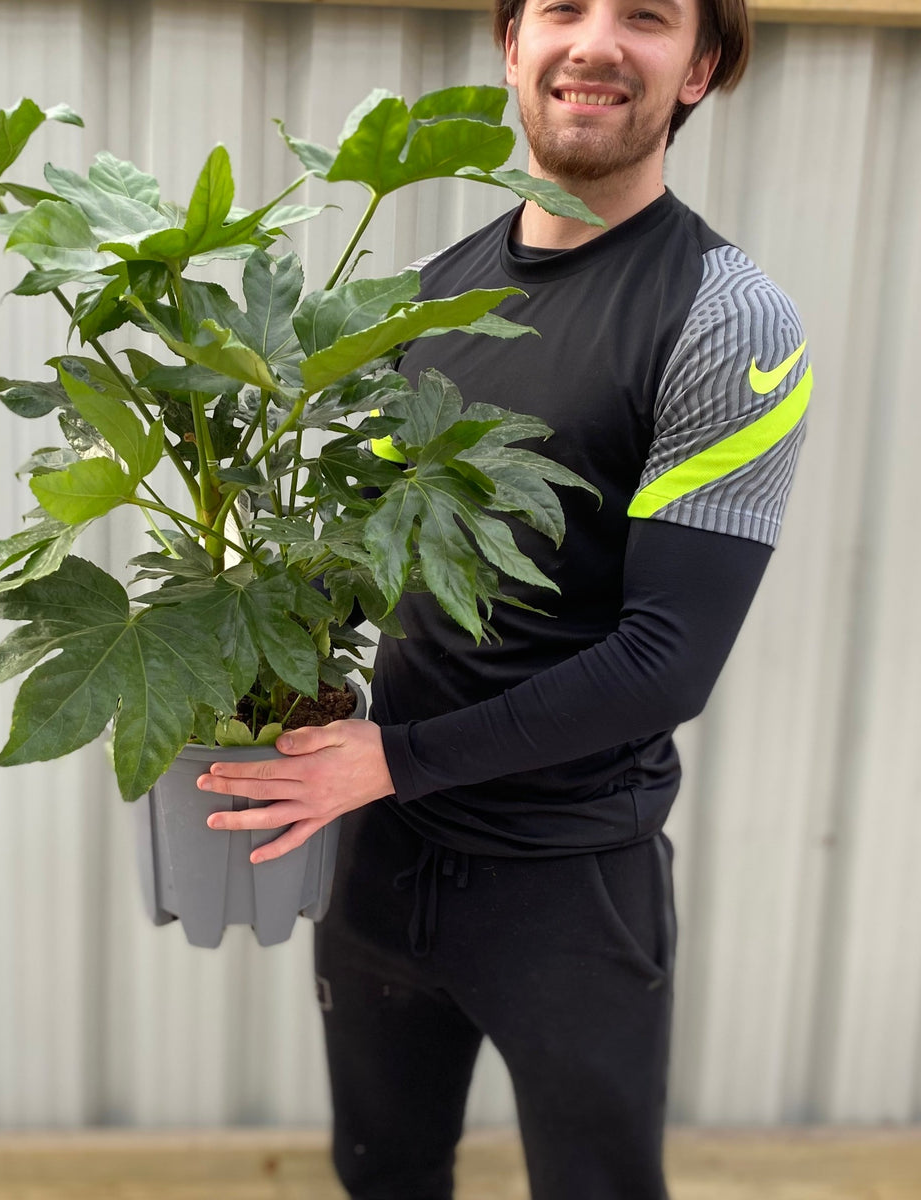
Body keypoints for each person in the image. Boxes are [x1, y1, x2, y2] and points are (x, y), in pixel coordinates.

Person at [197, 0, 811, 1194]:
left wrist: (386, 760)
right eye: (561, 8)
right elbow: (372, 559)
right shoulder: (434, 294)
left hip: (568, 885)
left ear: (704, 66)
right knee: (382, 1173)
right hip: (381, 862)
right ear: (512, 45)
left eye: (645, 15)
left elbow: (666, 661)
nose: (595, 43)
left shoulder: (727, 318)